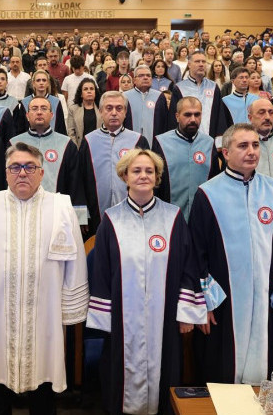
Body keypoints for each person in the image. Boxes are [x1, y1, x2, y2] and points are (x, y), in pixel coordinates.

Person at [0, 142, 88, 414]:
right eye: (15, 167)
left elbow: (76, 261)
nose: (22, 173)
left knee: (44, 377)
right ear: (5, 173)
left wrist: (69, 306)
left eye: (29, 167)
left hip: (45, 310)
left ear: (41, 172)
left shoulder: (61, 207)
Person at [88, 148, 203, 414]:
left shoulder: (173, 217)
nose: (143, 175)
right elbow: (102, 272)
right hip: (122, 319)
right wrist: (104, 319)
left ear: (157, 177)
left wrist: (186, 313)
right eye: (136, 171)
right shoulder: (111, 219)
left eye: (149, 171)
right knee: (119, 375)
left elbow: (188, 266)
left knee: (165, 373)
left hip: (163, 317)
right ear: (125, 176)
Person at [189, 123, 273, 384]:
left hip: (265, 299)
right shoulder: (208, 194)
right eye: (243, 146)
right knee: (220, 370)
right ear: (226, 153)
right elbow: (197, 253)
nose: (251, 151)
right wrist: (203, 304)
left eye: (255, 145)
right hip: (223, 303)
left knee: (264, 370)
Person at [80, 91, 149, 235]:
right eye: (109, 108)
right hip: (96, 213)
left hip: (133, 213)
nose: (114, 113)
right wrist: (82, 215)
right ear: (100, 111)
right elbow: (81, 181)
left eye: (119, 108)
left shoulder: (138, 141)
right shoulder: (89, 141)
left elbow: (148, 179)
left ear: (125, 112)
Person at [11, 95, 85, 224]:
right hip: (20, 212)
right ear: (27, 115)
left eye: (44, 108)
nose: (39, 112)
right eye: (34, 109)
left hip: (57, 214)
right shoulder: (14, 144)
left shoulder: (66, 144)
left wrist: (79, 218)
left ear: (52, 115)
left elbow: (76, 182)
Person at [153, 96, 221, 220]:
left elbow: (215, 181)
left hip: (202, 218)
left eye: (197, 114)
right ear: (177, 116)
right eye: (187, 115)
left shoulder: (209, 143)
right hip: (169, 217)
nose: (193, 119)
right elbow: (155, 184)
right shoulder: (161, 142)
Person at [172, 51, 232, 143]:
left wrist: (220, 140)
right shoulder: (179, 88)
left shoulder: (213, 86)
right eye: (197, 61)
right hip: (185, 140)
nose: (201, 64)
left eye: (203, 62)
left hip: (210, 139)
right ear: (189, 64)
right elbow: (174, 117)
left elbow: (220, 114)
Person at [123, 65, 169, 146]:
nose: (145, 78)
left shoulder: (159, 97)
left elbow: (165, 123)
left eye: (148, 75)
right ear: (134, 80)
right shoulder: (125, 97)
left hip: (154, 144)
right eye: (141, 75)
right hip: (129, 145)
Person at [19, 70, 68, 135]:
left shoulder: (56, 102)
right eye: (38, 80)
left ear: (48, 83)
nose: (41, 83)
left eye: (44, 80)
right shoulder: (25, 102)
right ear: (33, 83)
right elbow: (20, 129)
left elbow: (61, 128)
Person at [67, 78, 101, 148]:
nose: (89, 91)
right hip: (80, 147)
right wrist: (76, 149)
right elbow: (71, 132)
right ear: (81, 94)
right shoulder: (73, 109)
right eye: (85, 89)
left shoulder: (102, 109)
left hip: (98, 146)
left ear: (95, 92)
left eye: (92, 89)